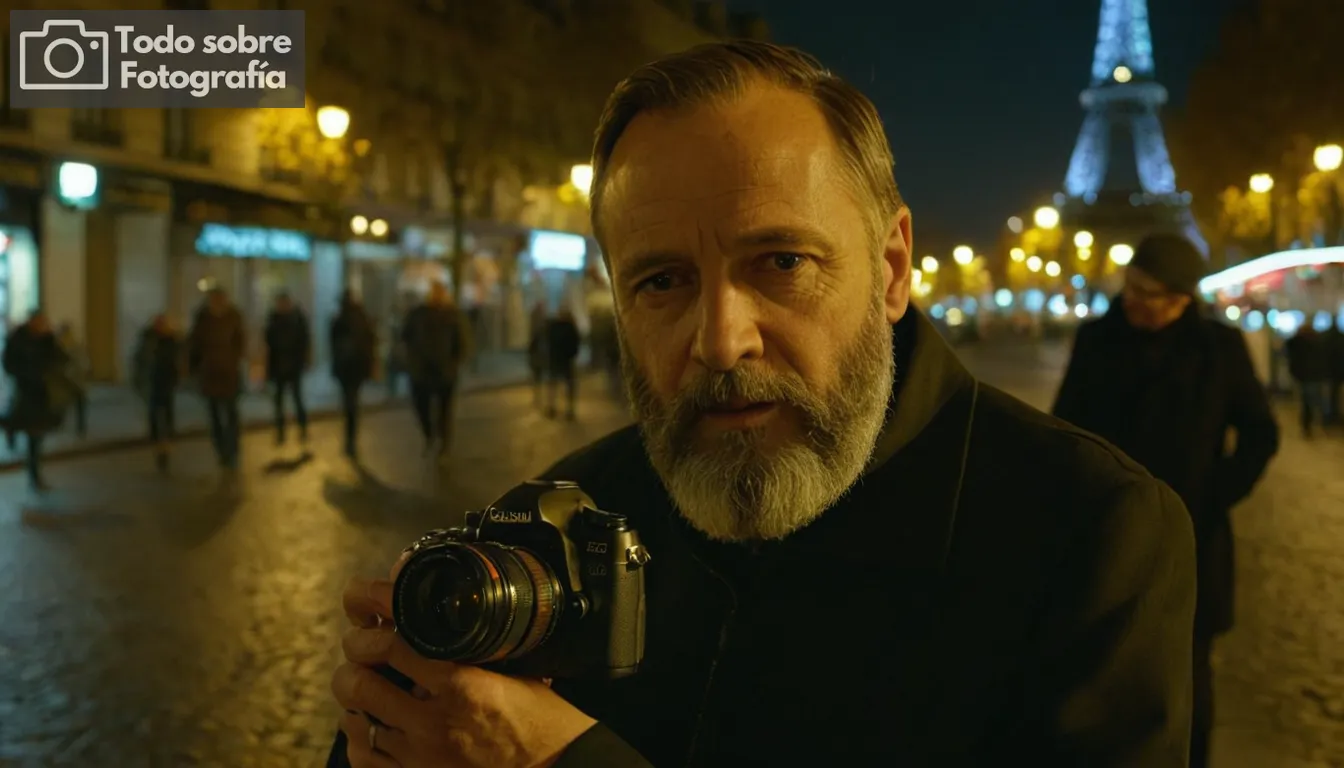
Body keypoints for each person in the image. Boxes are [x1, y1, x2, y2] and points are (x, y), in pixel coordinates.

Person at [327, 41, 1197, 768]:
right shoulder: (561, 519)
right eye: (662, 281)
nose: (721, 339)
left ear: (891, 268)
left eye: (780, 263)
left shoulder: (1094, 536)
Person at [1052, 233, 1280, 768]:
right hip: (1107, 534)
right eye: (1131, 289)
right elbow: (1064, 429)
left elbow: (1260, 433)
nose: (1134, 302)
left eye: (1149, 295)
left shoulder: (1219, 349)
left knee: (1188, 676)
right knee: (1103, 672)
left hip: (1194, 535)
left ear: (1181, 298)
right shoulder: (1097, 339)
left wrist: (1213, 494)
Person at [2, 311, 75, 490]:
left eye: (44, 322)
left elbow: (63, 360)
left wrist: (54, 341)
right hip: (26, 390)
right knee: (29, 429)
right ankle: (12, 432)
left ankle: (34, 475)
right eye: (40, 322)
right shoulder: (19, 338)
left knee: (35, 435)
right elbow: (8, 362)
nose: (43, 325)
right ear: (31, 322)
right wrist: (24, 375)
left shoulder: (48, 340)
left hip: (43, 394)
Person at [401, 281, 472, 457]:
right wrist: (411, 360)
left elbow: (462, 342)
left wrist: (454, 363)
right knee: (421, 406)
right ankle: (429, 435)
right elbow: (405, 337)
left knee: (445, 411)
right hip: (421, 371)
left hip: (444, 372)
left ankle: (443, 443)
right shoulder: (418, 314)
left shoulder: (453, 315)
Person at [189, 288, 246, 469]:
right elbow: (195, 344)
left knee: (231, 413)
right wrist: (195, 368)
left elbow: (240, 341)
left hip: (229, 373)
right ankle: (221, 450)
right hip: (210, 373)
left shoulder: (233, 316)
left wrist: (233, 359)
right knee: (214, 415)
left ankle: (233, 451)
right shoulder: (202, 318)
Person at [132, 313, 183, 472]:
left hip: (166, 382)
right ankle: (158, 441)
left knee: (166, 412)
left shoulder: (171, 341)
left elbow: (177, 359)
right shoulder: (149, 339)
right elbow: (140, 359)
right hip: (152, 381)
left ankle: (165, 442)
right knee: (154, 412)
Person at [330, 290, 376, 458]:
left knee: (349, 401)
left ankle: (350, 439)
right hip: (356, 368)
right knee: (352, 401)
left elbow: (333, 345)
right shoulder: (363, 319)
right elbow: (371, 344)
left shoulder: (340, 319)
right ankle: (350, 438)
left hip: (347, 368)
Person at [264, 292, 311, 445]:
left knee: (297, 399)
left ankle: (303, 429)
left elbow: (305, 341)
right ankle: (280, 432)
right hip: (278, 367)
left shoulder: (297, 319)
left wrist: (304, 361)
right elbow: (268, 343)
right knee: (279, 403)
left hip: (293, 367)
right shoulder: (273, 319)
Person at [545, 306, 581, 420]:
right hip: (564, 360)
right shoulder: (569, 327)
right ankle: (567, 409)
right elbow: (575, 343)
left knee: (555, 384)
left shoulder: (554, 327)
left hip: (557, 359)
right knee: (567, 385)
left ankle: (555, 408)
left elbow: (549, 342)